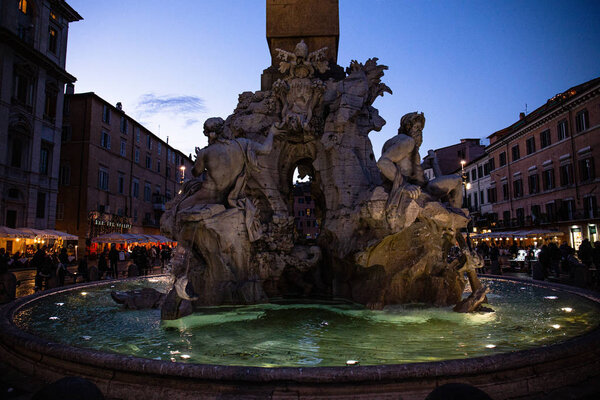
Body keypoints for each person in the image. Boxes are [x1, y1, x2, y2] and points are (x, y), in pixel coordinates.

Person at [377, 112, 463, 208]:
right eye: (417, 128)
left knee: (454, 181)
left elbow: (408, 171)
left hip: (420, 186)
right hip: (422, 189)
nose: (420, 132)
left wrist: (426, 165)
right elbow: (383, 162)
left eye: (421, 129)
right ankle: (456, 213)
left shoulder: (402, 144)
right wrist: (405, 186)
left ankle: (453, 213)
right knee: (457, 180)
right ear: (408, 127)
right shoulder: (408, 142)